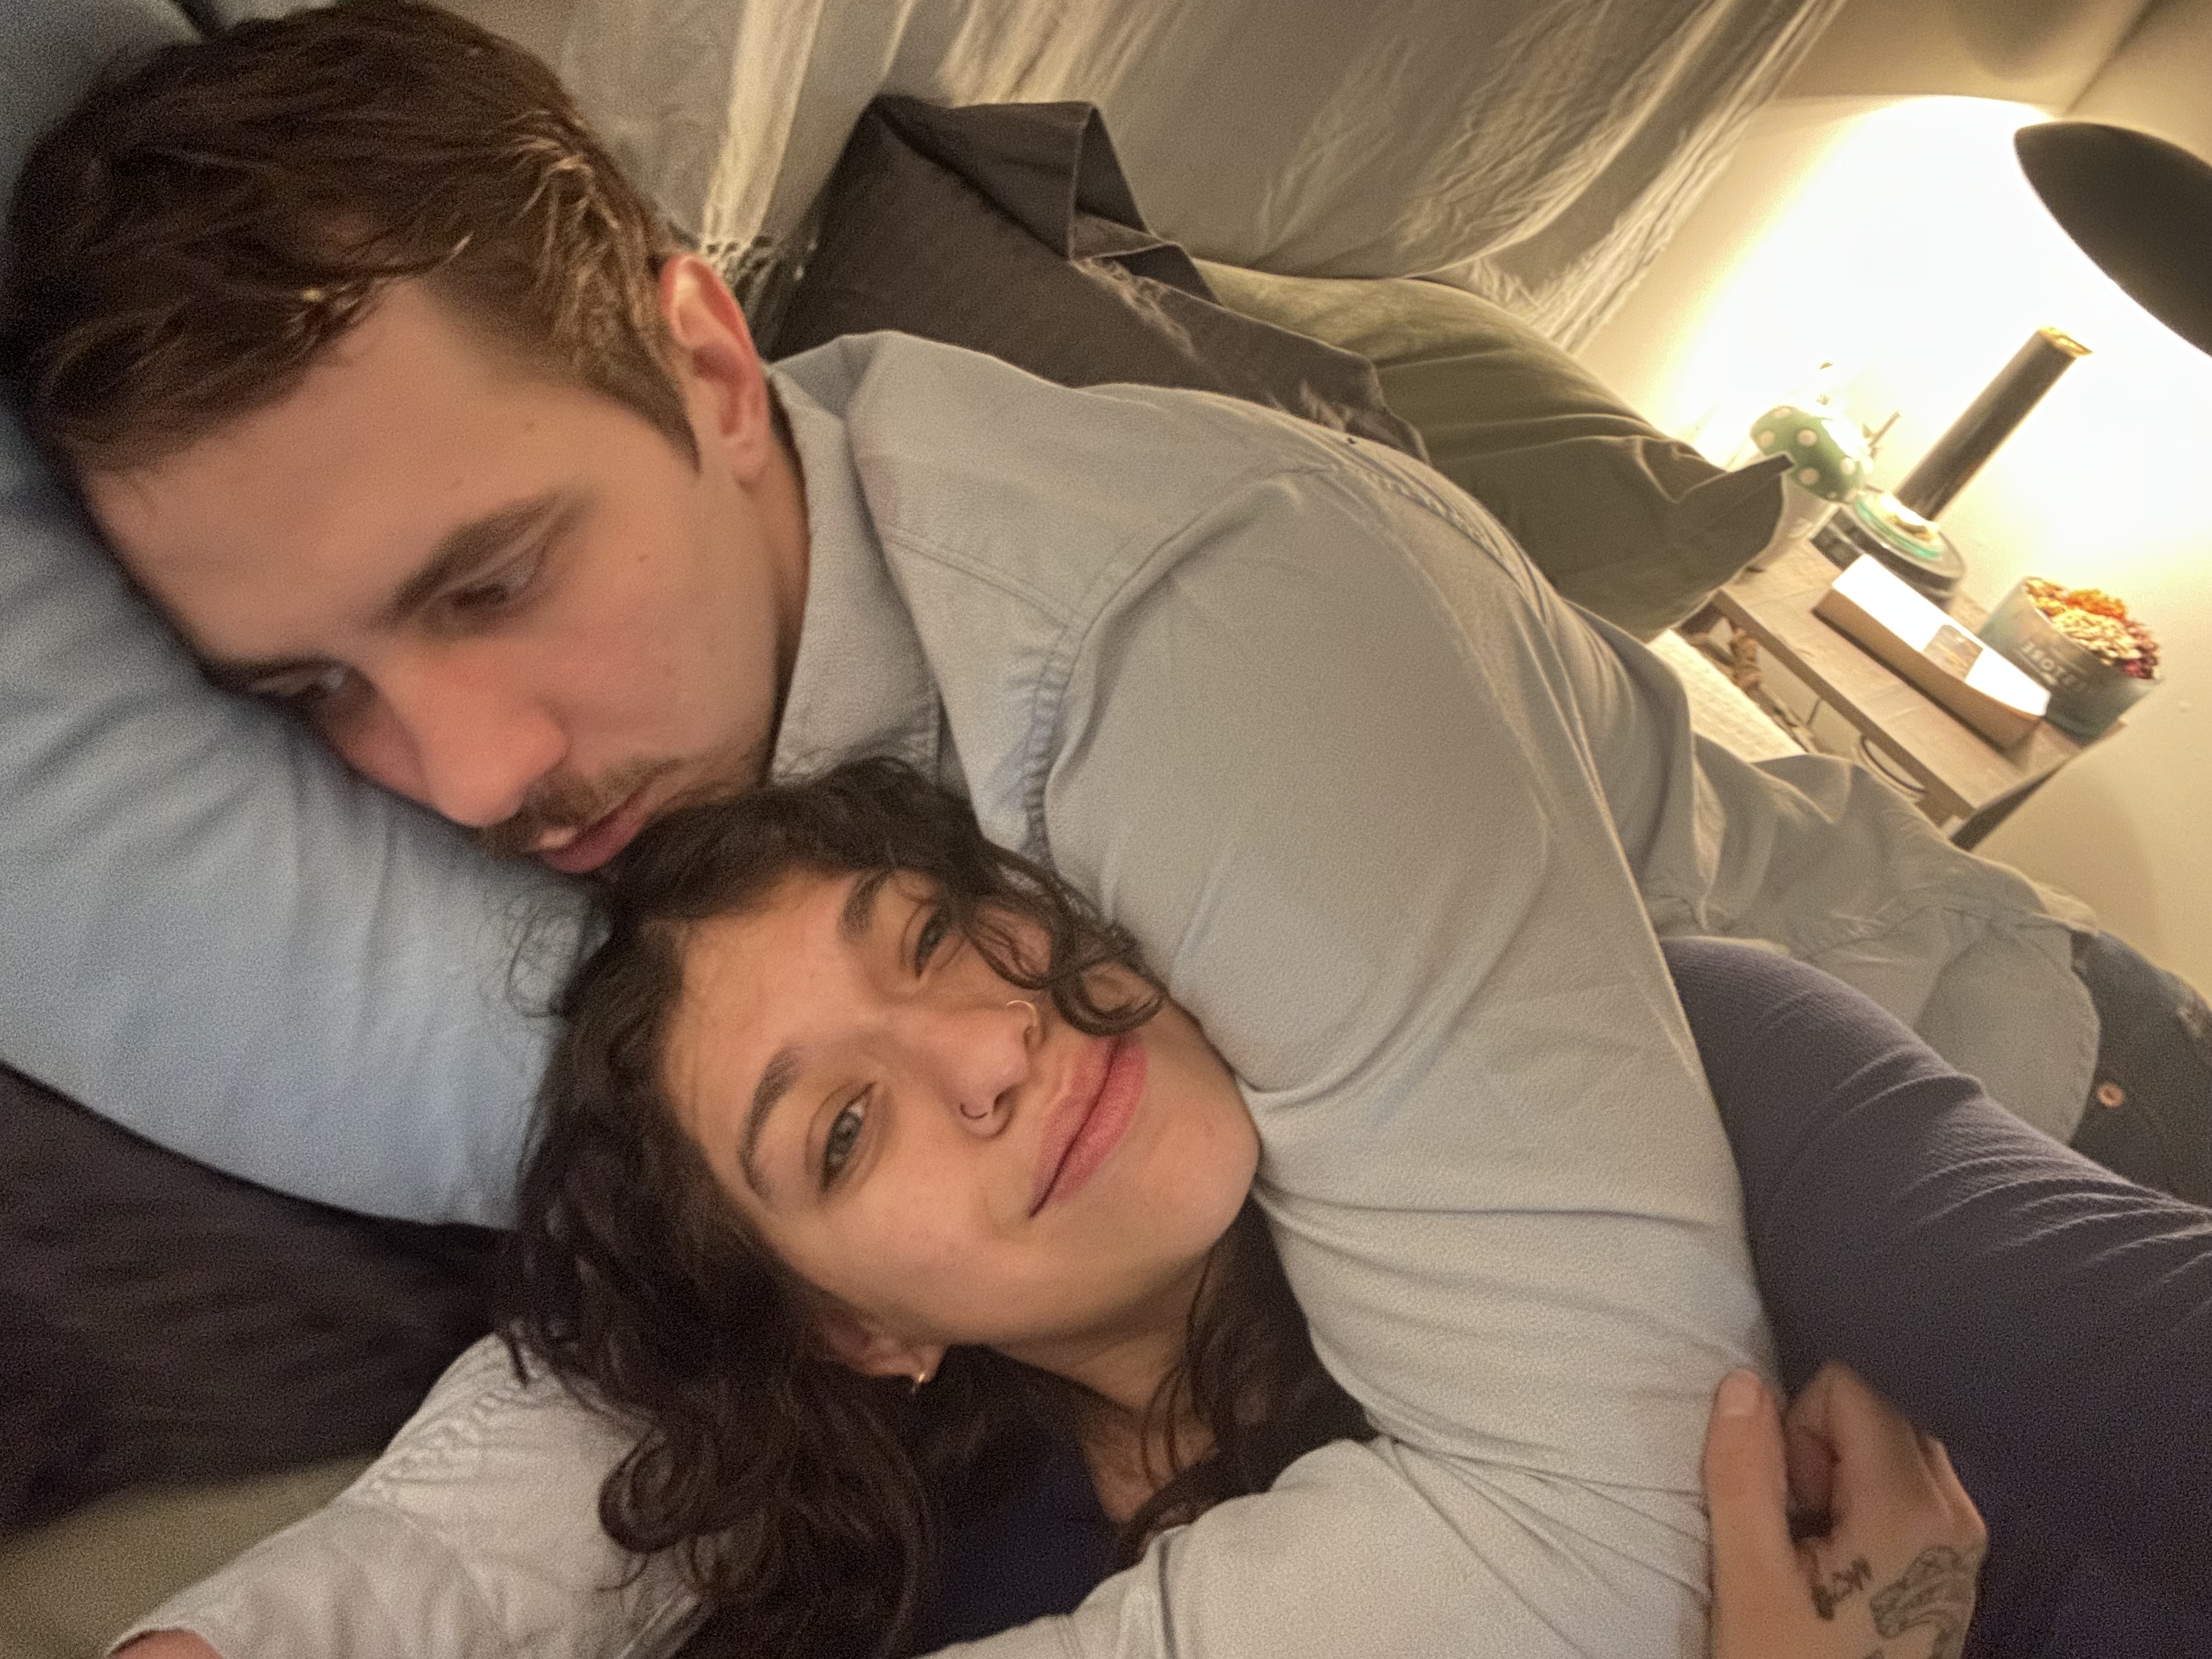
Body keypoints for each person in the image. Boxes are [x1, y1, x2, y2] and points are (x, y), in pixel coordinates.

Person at [1, 2, 2203, 1654]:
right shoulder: (673, 753)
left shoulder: (1182, 633)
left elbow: (1593, 1533)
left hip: (2025, 1146)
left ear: (706, 363)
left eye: (490, 585)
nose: (468, 775)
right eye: (317, 693)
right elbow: (672, 1303)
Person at [497, 757, 2202, 1659]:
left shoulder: (1656, 1065)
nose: (986, 1047)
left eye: (936, 933)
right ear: (862, 1330)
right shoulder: (1008, 1608)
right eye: (847, 1131)